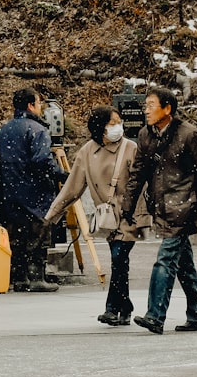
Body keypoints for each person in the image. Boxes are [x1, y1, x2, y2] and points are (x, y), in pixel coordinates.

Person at [120, 87, 197, 335]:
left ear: (167, 108)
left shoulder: (189, 135)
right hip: (162, 206)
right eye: (145, 105)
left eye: (151, 105)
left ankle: (155, 315)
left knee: (165, 260)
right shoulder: (146, 135)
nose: (146, 110)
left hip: (185, 207)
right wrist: (128, 205)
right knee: (183, 264)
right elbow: (137, 174)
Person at [44, 106, 152, 326]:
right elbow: (72, 188)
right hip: (108, 217)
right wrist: (52, 214)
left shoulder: (131, 148)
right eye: (112, 123)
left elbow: (144, 183)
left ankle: (114, 309)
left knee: (119, 257)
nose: (117, 127)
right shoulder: (87, 152)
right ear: (100, 126)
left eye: (119, 122)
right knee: (119, 261)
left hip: (130, 214)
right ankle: (124, 307)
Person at [0, 87, 67, 292]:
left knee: (17, 236)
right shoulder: (37, 129)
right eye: (38, 103)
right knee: (38, 233)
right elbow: (42, 160)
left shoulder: (6, 129)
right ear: (30, 105)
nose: (40, 107)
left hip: (11, 190)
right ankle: (37, 276)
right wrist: (60, 174)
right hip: (35, 190)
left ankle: (20, 277)